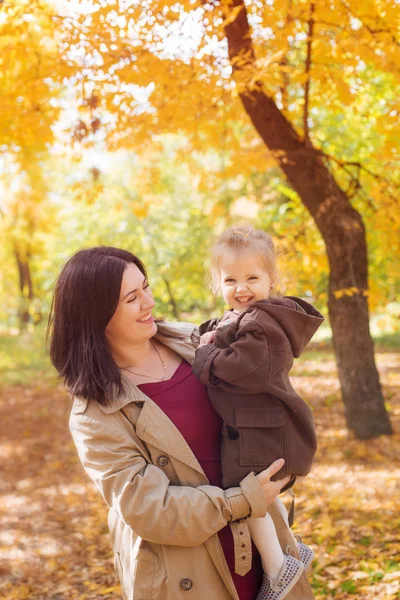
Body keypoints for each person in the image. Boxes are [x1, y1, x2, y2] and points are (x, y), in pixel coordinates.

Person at [47, 245, 316, 600]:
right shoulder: (95, 413)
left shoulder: (198, 341)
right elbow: (150, 510)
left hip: (265, 556)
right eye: (132, 298)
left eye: (146, 286)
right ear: (96, 315)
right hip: (185, 572)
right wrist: (242, 500)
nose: (149, 302)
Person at [192, 227, 324, 600]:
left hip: (258, 431)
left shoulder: (261, 323)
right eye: (230, 279)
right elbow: (223, 332)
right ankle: (293, 551)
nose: (241, 287)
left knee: (247, 500)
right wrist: (205, 336)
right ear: (217, 282)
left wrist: (204, 354)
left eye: (252, 277)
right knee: (264, 498)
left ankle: (279, 570)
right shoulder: (248, 318)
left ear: (272, 280)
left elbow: (242, 368)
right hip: (259, 427)